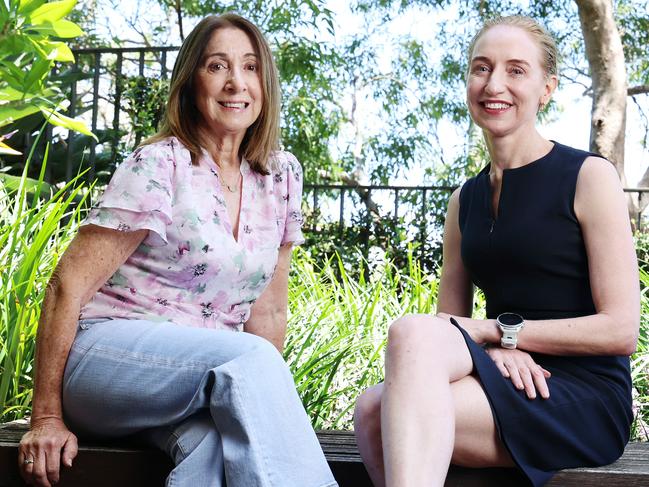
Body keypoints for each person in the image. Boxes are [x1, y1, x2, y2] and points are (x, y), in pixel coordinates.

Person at [18, 13, 338, 487]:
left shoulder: (280, 176)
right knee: (248, 359)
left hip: (195, 383)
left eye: (250, 67)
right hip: (105, 363)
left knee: (215, 449)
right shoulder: (161, 164)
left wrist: (260, 411)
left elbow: (268, 313)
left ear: (265, 85)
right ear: (191, 83)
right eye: (217, 66)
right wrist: (45, 418)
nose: (236, 83)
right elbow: (68, 285)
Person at [353, 15, 639, 487]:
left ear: (546, 88)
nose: (494, 84)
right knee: (373, 405)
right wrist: (494, 348)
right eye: (481, 68)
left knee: (385, 400)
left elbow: (621, 330)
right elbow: (445, 330)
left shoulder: (589, 177)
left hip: (582, 394)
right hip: (506, 372)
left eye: (515, 70)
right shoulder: (464, 200)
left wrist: (503, 335)